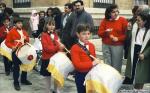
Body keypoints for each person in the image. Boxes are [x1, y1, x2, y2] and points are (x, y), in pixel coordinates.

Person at [123, 9, 150, 89]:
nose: (137, 22)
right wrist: (128, 30)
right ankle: (128, 89)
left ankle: (138, 90)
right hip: (133, 51)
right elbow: (128, 39)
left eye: (139, 20)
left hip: (143, 54)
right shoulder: (135, 27)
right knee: (130, 74)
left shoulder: (148, 30)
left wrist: (145, 54)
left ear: (145, 21)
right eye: (136, 20)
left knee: (139, 77)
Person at [98, 4, 128, 73]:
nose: (116, 13)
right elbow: (99, 33)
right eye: (113, 12)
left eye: (117, 11)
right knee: (107, 64)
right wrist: (106, 32)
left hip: (117, 46)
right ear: (109, 13)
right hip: (106, 45)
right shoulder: (105, 20)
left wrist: (118, 38)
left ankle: (116, 81)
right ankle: (108, 81)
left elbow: (127, 35)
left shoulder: (122, 20)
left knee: (116, 65)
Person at [70, 23, 100, 93]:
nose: (87, 36)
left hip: (91, 74)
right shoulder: (74, 48)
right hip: (81, 76)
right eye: (84, 34)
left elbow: (93, 59)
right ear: (78, 34)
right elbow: (77, 65)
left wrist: (97, 63)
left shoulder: (92, 45)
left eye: (88, 33)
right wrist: (92, 63)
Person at [5, 17, 31, 91]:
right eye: (18, 23)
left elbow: (28, 40)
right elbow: (7, 42)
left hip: (24, 51)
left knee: (25, 66)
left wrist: (26, 38)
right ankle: (16, 82)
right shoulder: (11, 32)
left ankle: (23, 79)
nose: (20, 24)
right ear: (15, 24)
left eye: (21, 23)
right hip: (16, 52)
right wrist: (11, 46)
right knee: (16, 67)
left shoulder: (24, 31)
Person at [40, 18, 65, 93]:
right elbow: (46, 48)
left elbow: (58, 45)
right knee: (47, 76)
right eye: (49, 25)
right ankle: (47, 90)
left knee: (56, 75)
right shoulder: (43, 35)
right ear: (46, 25)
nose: (51, 26)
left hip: (56, 59)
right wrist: (58, 47)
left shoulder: (55, 34)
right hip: (47, 58)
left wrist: (61, 50)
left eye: (53, 25)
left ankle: (55, 90)